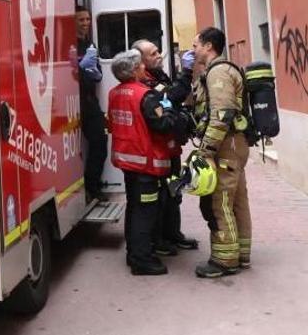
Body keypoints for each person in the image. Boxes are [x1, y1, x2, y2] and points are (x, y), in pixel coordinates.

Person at [108, 49, 180, 275]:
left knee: (134, 208)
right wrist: (170, 111)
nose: (143, 68)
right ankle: (141, 260)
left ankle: (133, 253)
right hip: (146, 164)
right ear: (132, 70)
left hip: (128, 162)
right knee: (145, 212)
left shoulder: (114, 93)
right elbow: (163, 125)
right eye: (140, 65)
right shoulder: (146, 95)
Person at [190, 27, 252, 278]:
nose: (192, 50)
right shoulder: (219, 70)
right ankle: (241, 254)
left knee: (220, 202)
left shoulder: (219, 72)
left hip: (226, 146)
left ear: (208, 46)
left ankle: (224, 261)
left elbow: (221, 115)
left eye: (195, 45)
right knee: (238, 202)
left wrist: (206, 150)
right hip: (235, 145)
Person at [132, 39, 199, 255]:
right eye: (152, 54)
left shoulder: (159, 75)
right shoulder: (146, 83)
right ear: (141, 61)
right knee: (161, 196)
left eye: (158, 51)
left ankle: (173, 234)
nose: (159, 55)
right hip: (158, 150)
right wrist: (186, 72)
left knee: (174, 191)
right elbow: (171, 97)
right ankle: (159, 240)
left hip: (171, 148)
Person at [76, 7, 107, 202]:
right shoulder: (67, 44)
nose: (86, 22)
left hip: (89, 102)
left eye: (87, 19)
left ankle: (92, 186)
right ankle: (88, 189)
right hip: (74, 101)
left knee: (100, 144)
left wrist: (95, 74)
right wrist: (79, 69)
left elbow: (98, 73)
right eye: (81, 20)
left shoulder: (90, 44)